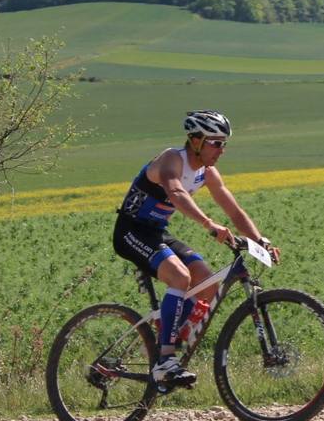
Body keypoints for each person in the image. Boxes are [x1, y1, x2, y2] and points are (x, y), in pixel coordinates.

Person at [113, 110, 279, 388]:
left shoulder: (208, 172)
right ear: (196, 140)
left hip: (156, 232)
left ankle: (168, 334)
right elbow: (176, 193)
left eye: (224, 144)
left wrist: (260, 240)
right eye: (216, 143)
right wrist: (209, 225)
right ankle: (166, 360)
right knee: (180, 277)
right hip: (131, 230)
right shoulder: (171, 160)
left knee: (206, 282)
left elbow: (234, 210)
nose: (221, 150)